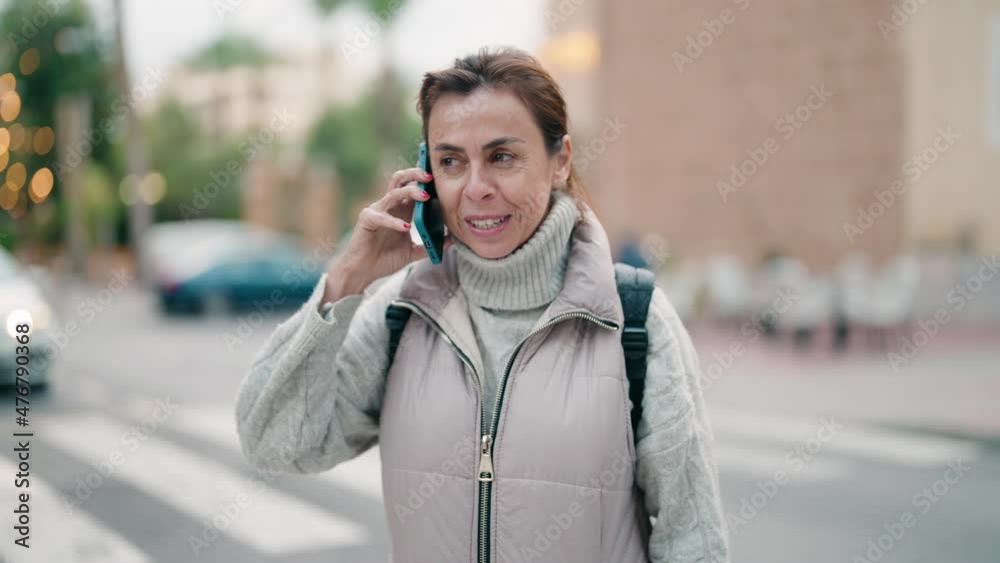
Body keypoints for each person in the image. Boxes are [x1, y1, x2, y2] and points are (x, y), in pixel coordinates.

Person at [235, 47, 729, 563]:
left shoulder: (633, 318)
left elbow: (693, 538)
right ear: (426, 173)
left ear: (560, 161)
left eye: (502, 157)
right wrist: (344, 283)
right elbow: (272, 442)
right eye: (451, 161)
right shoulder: (401, 312)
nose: (475, 189)